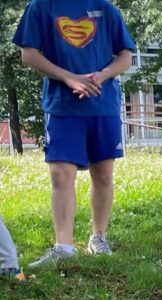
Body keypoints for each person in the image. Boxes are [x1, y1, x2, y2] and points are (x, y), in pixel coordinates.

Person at [13, 0, 136, 268]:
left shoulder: (106, 8)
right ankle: (64, 246)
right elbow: (29, 53)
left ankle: (98, 237)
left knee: (103, 174)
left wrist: (100, 77)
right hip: (62, 106)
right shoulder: (42, 7)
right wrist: (69, 78)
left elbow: (125, 56)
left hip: (103, 104)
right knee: (61, 174)